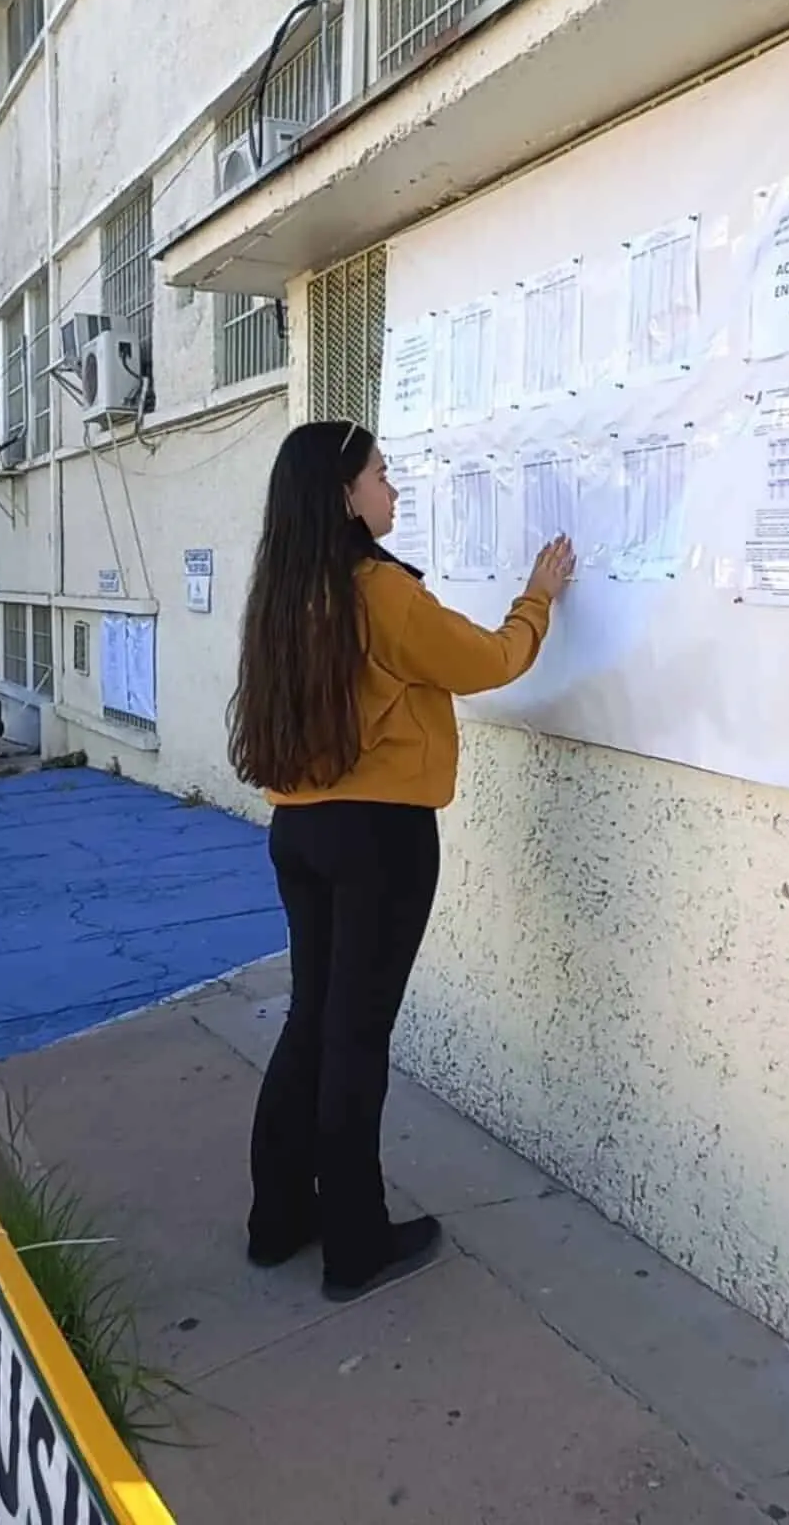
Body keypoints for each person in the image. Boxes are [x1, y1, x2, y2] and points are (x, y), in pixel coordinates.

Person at [227, 418, 575, 1302]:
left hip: (298, 831)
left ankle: (279, 1222)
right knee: (355, 1036)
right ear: (344, 494)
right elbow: (488, 660)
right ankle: (355, 1243)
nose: (393, 490)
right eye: (381, 475)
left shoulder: (284, 592)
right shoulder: (378, 591)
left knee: (313, 1020)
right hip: (377, 835)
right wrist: (539, 598)